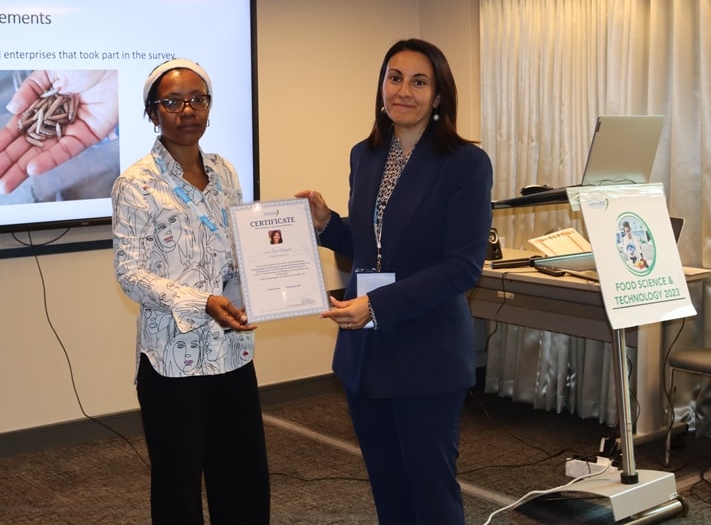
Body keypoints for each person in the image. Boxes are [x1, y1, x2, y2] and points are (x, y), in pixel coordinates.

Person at [297, 38, 493, 524]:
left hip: (427, 349)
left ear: (438, 95)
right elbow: (372, 246)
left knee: (430, 489)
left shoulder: (466, 164)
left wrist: (378, 305)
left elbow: (463, 266)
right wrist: (326, 224)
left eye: (419, 82)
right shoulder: (365, 155)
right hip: (366, 348)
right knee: (387, 486)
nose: (403, 91)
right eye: (394, 78)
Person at [111, 59, 270, 525]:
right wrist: (202, 303)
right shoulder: (135, 184)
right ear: (152, 113)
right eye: (173, 102)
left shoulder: (225, 173)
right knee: (178, 485)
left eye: (198, 100)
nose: (188, 111)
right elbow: (130, 274)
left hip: (231, 351)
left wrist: (269, 279)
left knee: (242, 478)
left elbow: (237, 252)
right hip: (171, 359)